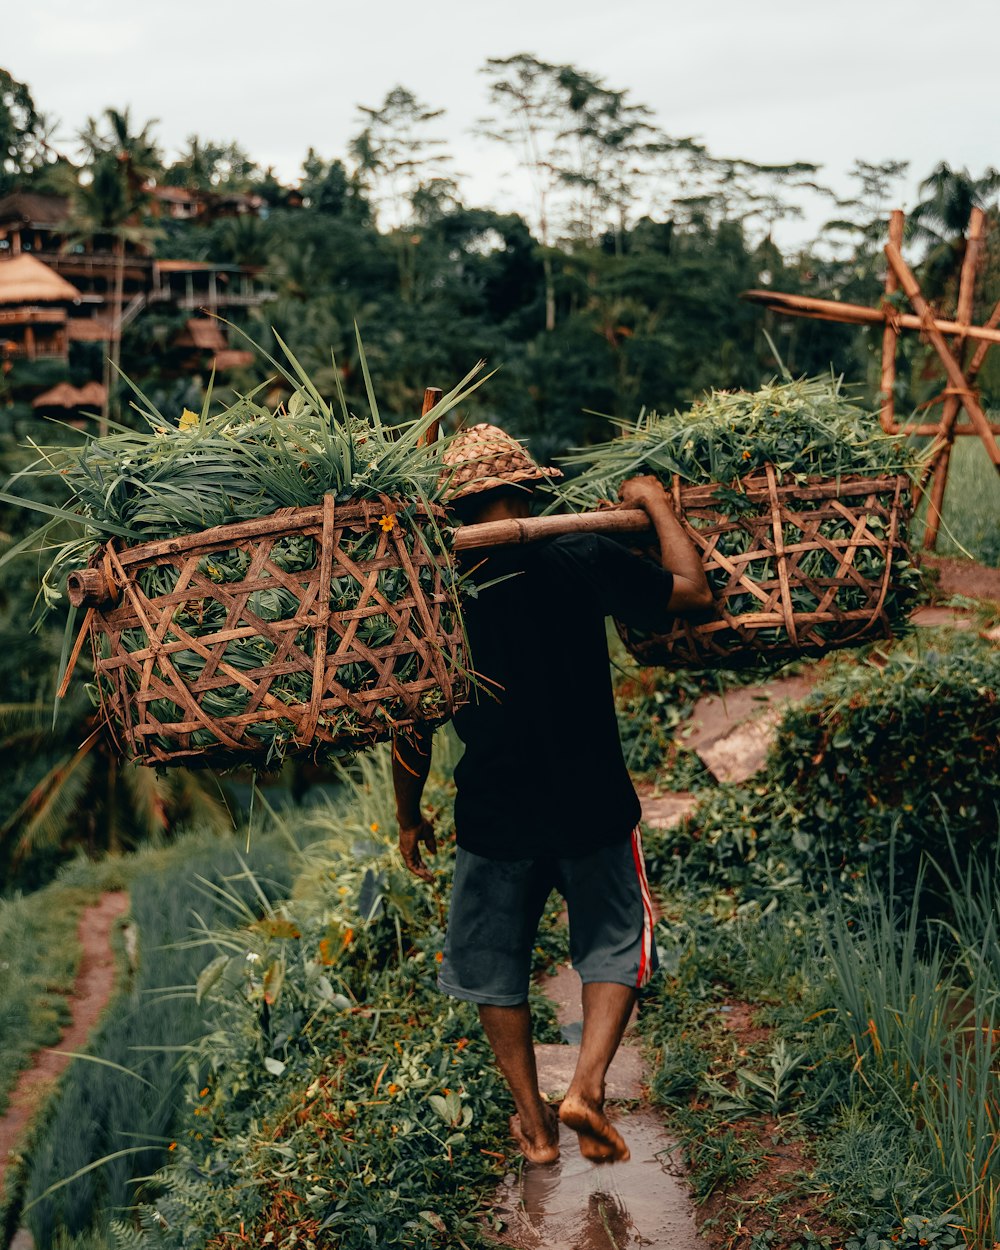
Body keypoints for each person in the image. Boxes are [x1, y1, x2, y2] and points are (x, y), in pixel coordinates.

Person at [392, 424, 712, 1166]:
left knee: (492, 967)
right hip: (592, 797)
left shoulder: (437, 587)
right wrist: (656, 503)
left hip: (492, 809)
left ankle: (534, 1128)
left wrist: (409, 817)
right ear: (528, 488)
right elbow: (691, 593)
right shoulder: (582, 553)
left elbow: (410, 723)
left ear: (452, 509)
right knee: (613, 945)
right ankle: (588, 1089)